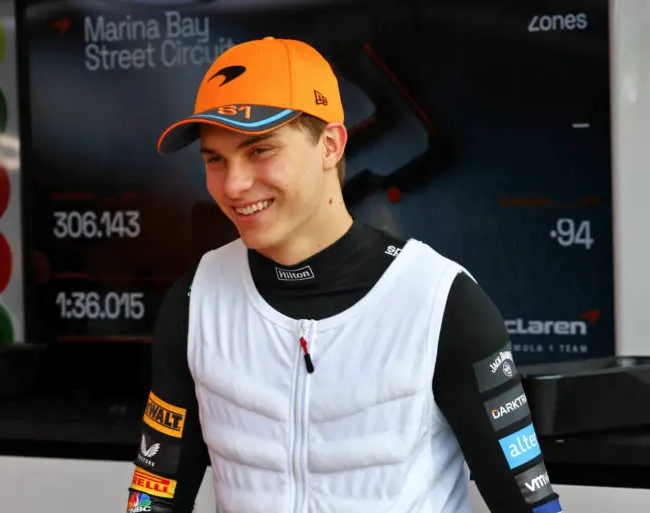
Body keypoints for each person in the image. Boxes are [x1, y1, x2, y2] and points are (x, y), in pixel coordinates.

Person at [126, 36, 563, 513]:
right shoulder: (196, 300)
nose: (233, 185)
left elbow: (533, 508)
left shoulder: (442, 303)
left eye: (260, 150)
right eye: (215, 159)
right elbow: (152, 499)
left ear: (330, 145)